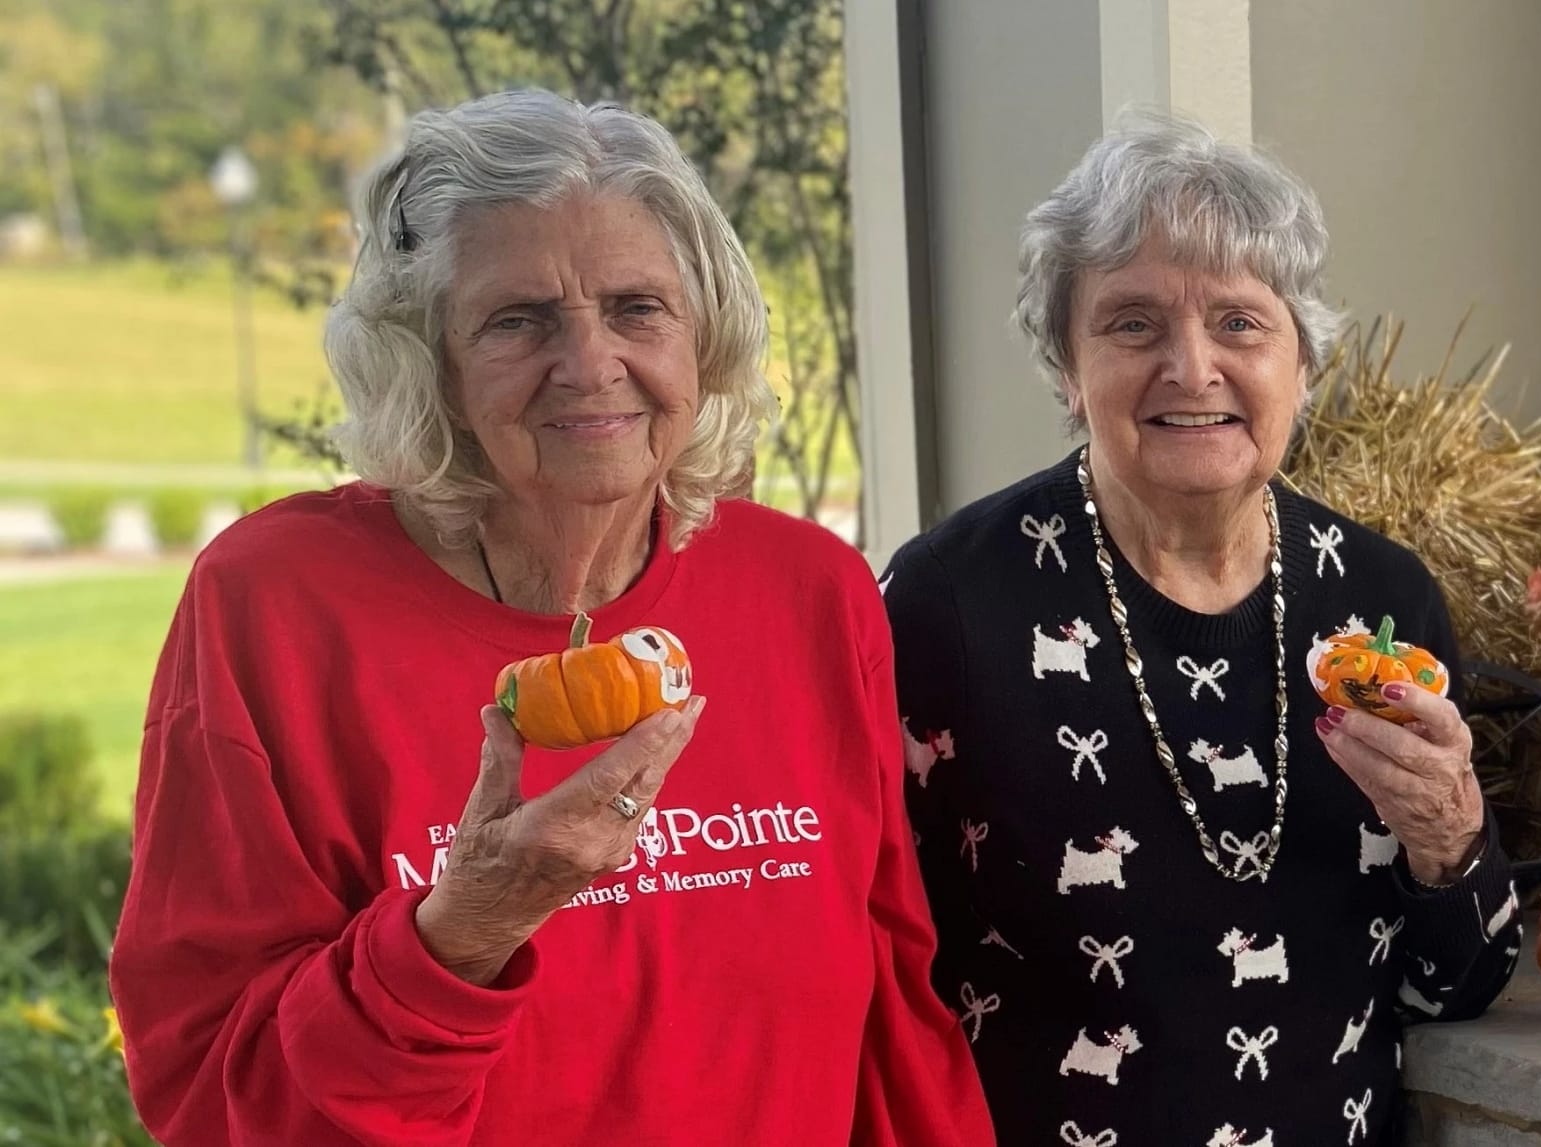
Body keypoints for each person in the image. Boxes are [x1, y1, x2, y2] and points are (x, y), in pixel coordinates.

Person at [108, 89, 993, 1147]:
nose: (589, 366)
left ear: (702, 336)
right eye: (517, 321)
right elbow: (214, 1094)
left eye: (636, 307)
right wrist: (462, 929)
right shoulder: (275, 607)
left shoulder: (807, 591)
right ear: (427, 359)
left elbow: (893, 1010)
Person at [879, 109, 1522, 1146]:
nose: (1191, 366)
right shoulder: (946, 604)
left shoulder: (1379, 600)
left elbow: (1463, 981)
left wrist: (1450, 840)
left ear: (1303, 360)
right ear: (1065, 364)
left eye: (1239, 322)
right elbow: (871, 965)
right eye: (1133, 323)